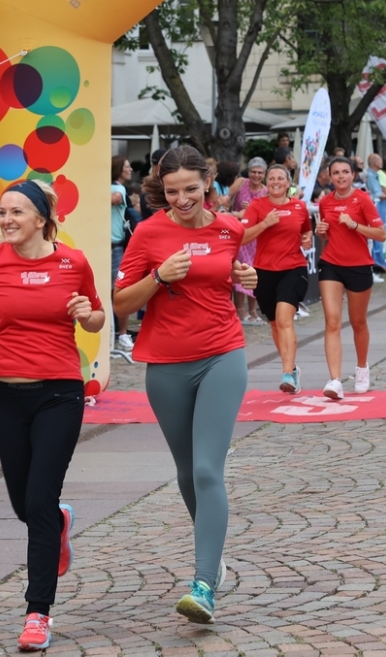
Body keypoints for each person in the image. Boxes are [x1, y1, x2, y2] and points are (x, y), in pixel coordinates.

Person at [0, 179, 105, 651]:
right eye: (3, 212)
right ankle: (58, 522)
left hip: (60, 393)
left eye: (17, 212)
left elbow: (97, 316)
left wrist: (85, 313)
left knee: (38, 500)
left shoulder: (71, 261)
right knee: (25, 505)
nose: (7, 220)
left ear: (41, 218)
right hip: (6, 395)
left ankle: (38, 614)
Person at [113, 146, 257, 625]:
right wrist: (158, 276)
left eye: (191, 189)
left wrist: (248, 277)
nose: (181, 199)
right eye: (172, 191)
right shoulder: (149, 232)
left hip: (222, 354)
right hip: (166, 363)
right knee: (185, 472)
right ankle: (211, 553)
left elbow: (235, 277)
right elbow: (120, 305)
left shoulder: (229, 228)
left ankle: (202, 584)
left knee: (207, 470)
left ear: (208, 181)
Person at [315, 157, 386, 400]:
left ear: (353, 175)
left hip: (359, 266)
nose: (341, 176)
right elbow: (326, 235)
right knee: (332, 321)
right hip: (331, 264)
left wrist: (355, 224)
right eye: (336, 173)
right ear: (330, 176)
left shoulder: (363, 200)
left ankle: (362, 368)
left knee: (358, 322)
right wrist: (321, 232)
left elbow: (381, 234)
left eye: (345, 172)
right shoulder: (325, 202)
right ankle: (335, 380)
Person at [242, 165, 313, 393]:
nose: (275, 182)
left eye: (280, 178)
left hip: (294, 268)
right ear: (266, 182)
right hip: (264, 271)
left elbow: (306, 231)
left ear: (288, 182)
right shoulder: (257, 206)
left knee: (284, 319)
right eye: (271, 178)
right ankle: (292, 369)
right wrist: (264, 224)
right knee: (274, 323)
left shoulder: (299, 207)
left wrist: (307, 240)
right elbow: (241, 237)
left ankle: (287, 373)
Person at [231, 157, 267, 324]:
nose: (256, 175)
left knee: (254, 272)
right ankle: (241, 310)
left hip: (256, 235)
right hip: (239, 232)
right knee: (240, 270)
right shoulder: (241, 183)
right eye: (253, 171)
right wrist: (237, 212)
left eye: (260, 172)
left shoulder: (266, 191)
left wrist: (254, 210)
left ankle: (253, 310)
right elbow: (225, 198)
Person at [111, 156, 134, 349]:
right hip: (109, 247)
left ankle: (123, 334)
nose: (131, 169)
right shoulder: (116, 187)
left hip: (115, 246)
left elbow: (115, 199)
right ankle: (118, 333)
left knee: (120, 289)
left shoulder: (119, 189)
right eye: (127, 166)